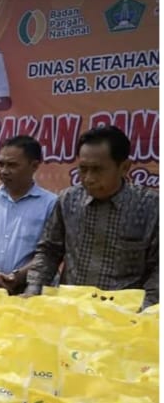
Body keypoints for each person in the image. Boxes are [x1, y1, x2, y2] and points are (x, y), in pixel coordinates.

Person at [24, 126, 158, 309]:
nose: (88, 178)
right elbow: (49, 250)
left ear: (124, 167)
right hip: (70, 309)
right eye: (83, 169)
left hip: (124, 314)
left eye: (97, 170)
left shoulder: (151, 206)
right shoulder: (68, 200)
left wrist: (146, 309)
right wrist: (34, 288)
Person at [0, 135, 57, 295]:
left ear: (34, 166)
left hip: (31, 293)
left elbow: (50, 253)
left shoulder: (51, 204)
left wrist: (18, 276)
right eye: (1, 164)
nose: (4, 171)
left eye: (12, 165)